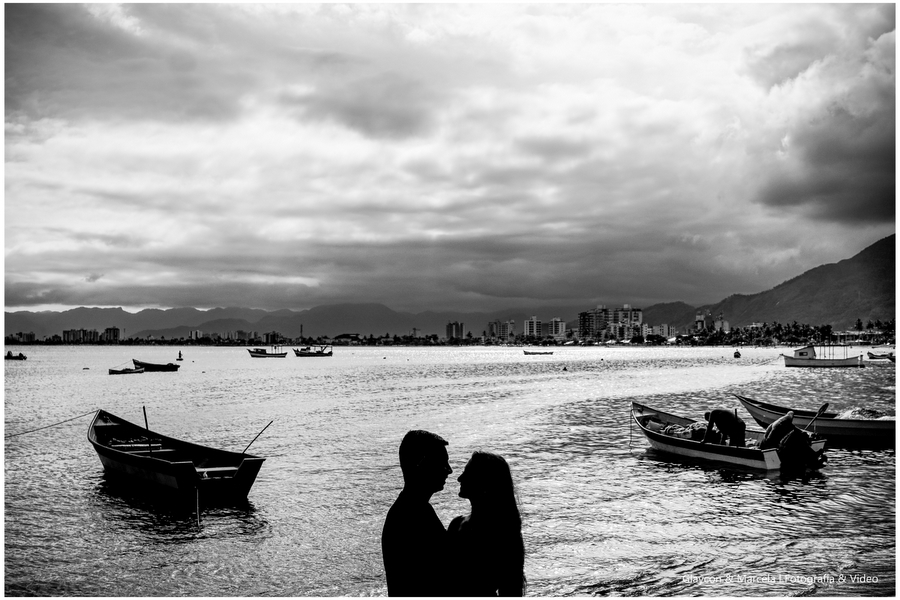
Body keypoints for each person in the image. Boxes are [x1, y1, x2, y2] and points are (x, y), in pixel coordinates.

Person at [381, 430, 453, 596]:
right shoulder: (412, 515)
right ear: (421, 464)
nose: (449, 470)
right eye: (442, 463)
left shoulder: (412, 509)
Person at [447, 451, 525, 597]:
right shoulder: (456, 524)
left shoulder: (504, 536)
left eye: (467, 473)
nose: (459, 478)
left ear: (483, 482)